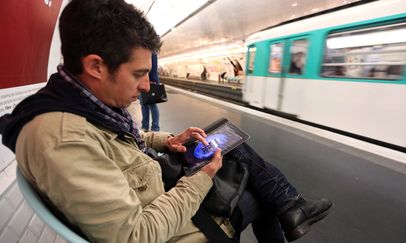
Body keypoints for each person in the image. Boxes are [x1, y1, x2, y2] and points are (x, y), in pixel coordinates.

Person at [0, 0, 332, 242]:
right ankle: (291, 205)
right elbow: (136, 236)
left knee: (229, 148)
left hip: (157, 188)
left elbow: (110, 143)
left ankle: (290, 205)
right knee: (255, 185)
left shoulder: (76, 104)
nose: (147, 86)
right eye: (139, 74)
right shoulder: (60, 139)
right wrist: (202, 179)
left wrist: (164, 140)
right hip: (185, 229)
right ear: (96, 66)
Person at [139, 52, 160, 131]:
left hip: (150, 81)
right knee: (143, 104)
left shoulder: (152, 51)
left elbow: (153, 66)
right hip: (142, 79)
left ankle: (155, 127)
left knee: (152, 105)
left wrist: (152, 80)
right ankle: (145, 126)